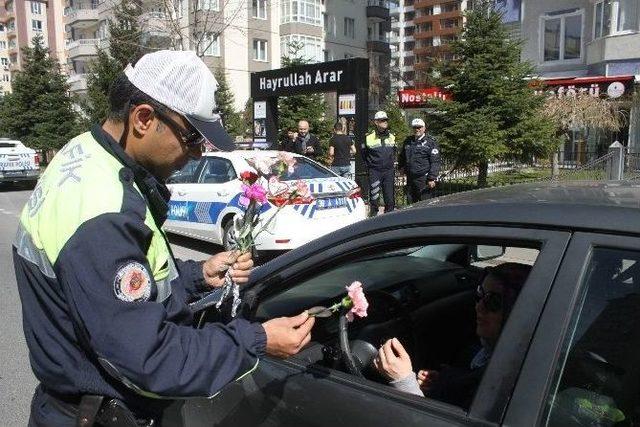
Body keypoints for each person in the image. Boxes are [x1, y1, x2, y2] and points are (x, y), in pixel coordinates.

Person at [13, 50, 315, 427]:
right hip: (97, 414)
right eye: (191, 138)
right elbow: (150, 358)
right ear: (143, 118)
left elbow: (122, 281)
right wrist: (256, 341)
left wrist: (197, 274)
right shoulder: (102, 212)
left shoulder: (86, 156)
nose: (196, 154)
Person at [373, 262, 531, 409]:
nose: (479, 306)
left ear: (517, 311)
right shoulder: (492, 353)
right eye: (480, 294)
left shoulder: (511, 380)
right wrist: (443, 381)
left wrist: (403, 381)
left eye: (493, 302)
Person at [398, 118, 441, 203]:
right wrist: (401, 167)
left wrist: (432, 178)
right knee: (411, 204)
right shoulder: (408, 141)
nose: (417, 129)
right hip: (410, 178)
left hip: (423, 179)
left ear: (424, 128)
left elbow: (435, 161)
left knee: (425, 204)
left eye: (419, 127)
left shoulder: (431, 142)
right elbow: (402, 156)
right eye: (415, 127)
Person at [363, 111, 397, 216]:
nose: (385, 122)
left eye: (386, 120)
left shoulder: (392, 136)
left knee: (390, 198)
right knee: (374, 198)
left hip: (388, 171)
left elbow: (394, 152)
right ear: (376, 122)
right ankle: (373, 219)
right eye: (382, 120)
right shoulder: (368, 137)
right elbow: (364, 155)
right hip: (375, 171)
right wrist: (370, 166)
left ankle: (390, 220)